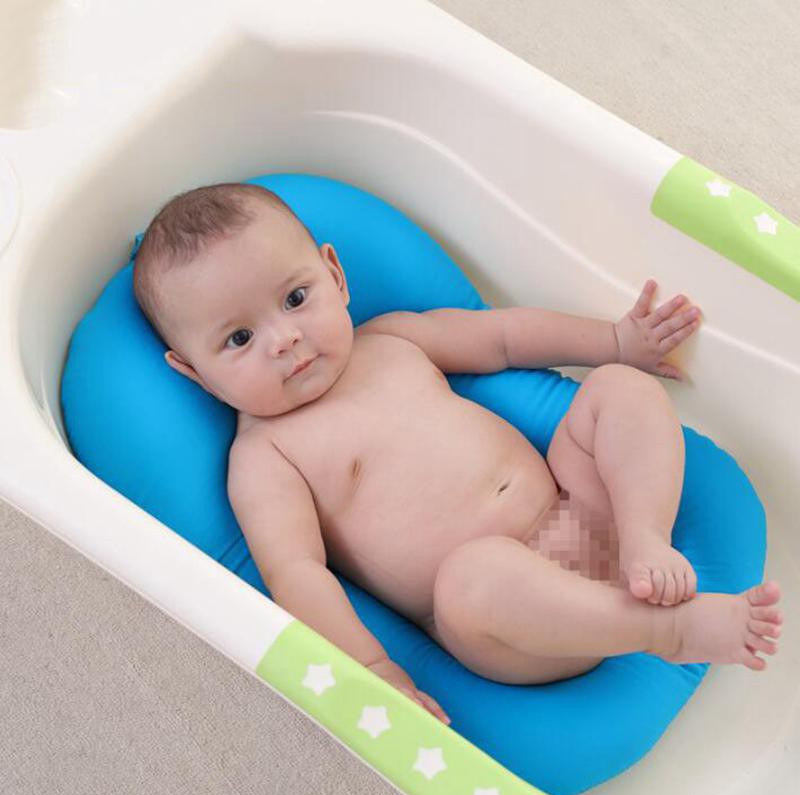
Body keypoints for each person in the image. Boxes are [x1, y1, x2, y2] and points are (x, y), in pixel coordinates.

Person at [133, 182, 783, 726]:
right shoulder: (265, 458)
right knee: (473, 577)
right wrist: (371, 671)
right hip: (510, 624)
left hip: (579, 512)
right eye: (240, 337)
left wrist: (614, 341)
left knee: (621, 393)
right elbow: (297, 573)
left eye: (296, 298)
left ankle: (647, 543)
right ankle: (664, 630)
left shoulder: (390, 341)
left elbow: (500, 338)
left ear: (335, 275)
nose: (285, 339)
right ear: (193, 372)